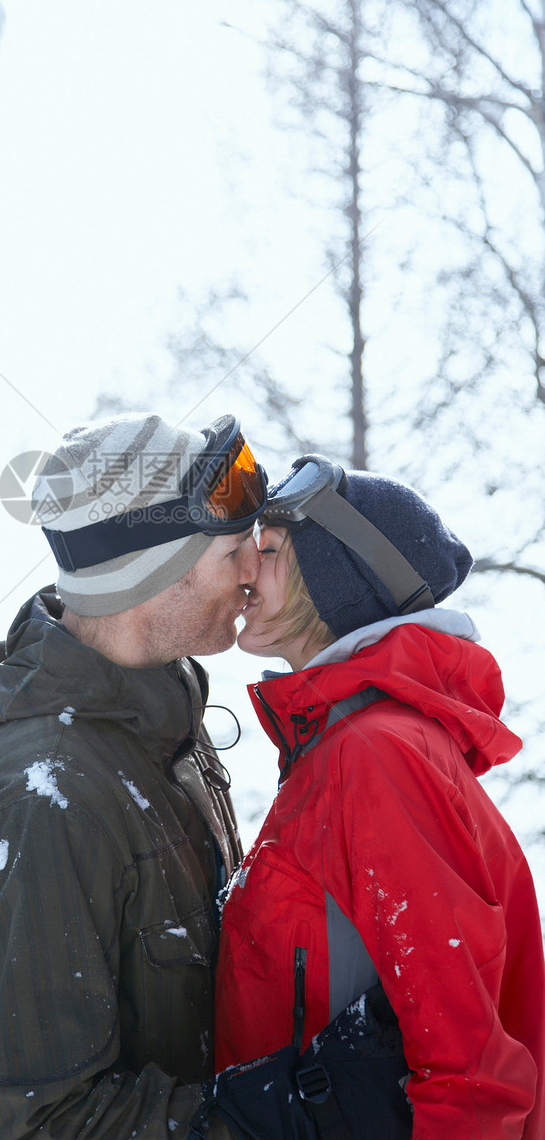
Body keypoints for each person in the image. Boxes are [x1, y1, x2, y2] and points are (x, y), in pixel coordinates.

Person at [0, 412, 264, 1140]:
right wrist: (275, 1116)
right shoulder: (43, 802)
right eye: (232, 551)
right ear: (154, 571)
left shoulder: (160, 739)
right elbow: (42, 1124)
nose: (254, 572)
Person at [215, 455, 545, 1139]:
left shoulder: (375, 755)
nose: (246, 568)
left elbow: (469, 1065)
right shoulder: (339, 748)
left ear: (334, 582)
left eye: (271, 549)